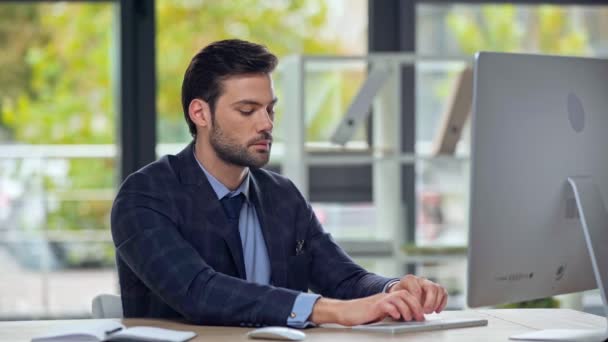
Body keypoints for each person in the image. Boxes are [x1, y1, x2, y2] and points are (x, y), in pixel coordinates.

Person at [111, 39, 448, 328]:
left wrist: (393, 291)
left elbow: (344, 278)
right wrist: (330, 310)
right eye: (247, 110)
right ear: (200, 114)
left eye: (270, 110)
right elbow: (198, 291)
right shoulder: (144, 196)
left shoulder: (281, 195)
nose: (266, 124)